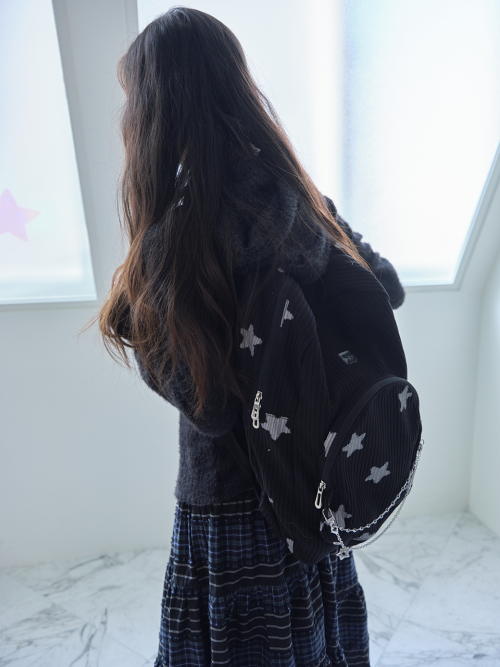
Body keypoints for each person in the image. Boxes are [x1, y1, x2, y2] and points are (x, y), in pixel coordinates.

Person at [96, 7, 405, 666]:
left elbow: (208, 407)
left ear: (155, 113)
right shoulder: (301, 198)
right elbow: (387, 287)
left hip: (231, 506)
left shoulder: (175, 238)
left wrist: (138, 321)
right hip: (315, 484)